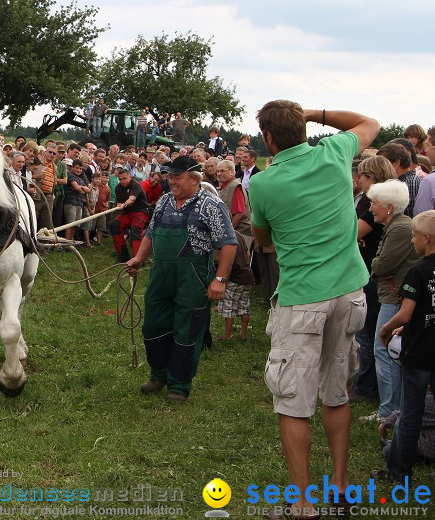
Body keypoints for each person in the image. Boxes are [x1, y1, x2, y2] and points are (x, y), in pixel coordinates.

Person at [249, 102, 379, 519]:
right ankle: (340, 492)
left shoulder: (265, 183)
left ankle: (303, 505)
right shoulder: (335, 152)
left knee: (292, 401)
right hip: (350, 289)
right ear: (303, 126)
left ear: (268, 139)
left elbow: (262, 237)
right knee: (336, 393)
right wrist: (316, 112)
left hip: (303, 297)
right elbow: (370, 123)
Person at [125, 155, 237, 402]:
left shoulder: (210, 204)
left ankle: (179, 384)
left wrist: (220, 279)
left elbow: (228, 243)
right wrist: (139, 259)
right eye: (170, 176)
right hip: (161, 276)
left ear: (194, 179)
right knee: (154, 324)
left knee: (186, 329)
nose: (171, 181)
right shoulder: (164, 201)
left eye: (177, 176)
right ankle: (158, 374)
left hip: (193, 277)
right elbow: (152, 233)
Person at [374, 209, 435, 482]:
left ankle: (399, 470)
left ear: (427, 238)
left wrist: (387, 328)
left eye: (414, 236)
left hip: (419, 351)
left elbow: (407, 313)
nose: (412, 241)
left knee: (411, 412)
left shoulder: (419, 271)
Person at [367, 179, 418, 422]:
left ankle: (389, 410)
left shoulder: (399, 228)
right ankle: (392, 407)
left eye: (374, 203)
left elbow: (381, 264)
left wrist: (377, 264)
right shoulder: (397, 226)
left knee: (384, 347)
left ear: (388, 206)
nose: (370, 208)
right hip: (391, 294)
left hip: (394, 297)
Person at [350, 156, 396, 404]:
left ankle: (366, 387)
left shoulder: (375, 205)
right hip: (371, 271)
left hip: (372, 273)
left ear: (375, 177)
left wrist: (354, 236)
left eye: (364, 176)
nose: (360, 180)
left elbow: (352, 233)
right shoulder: (381, 204)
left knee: (368, 334)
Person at [110, 168, 151, 263]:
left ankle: (138, 259)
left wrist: (124, 204)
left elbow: (131, 199)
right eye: (120, 179)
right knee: (114, 225)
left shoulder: (136, 185)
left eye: (125, 178)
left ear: (130, 177)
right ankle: (123, 255)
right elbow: (119, 203)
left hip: (140, 212)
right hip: (127, 213)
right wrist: (120, 205)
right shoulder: (118, 188)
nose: (122, 181)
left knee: (135, 231)